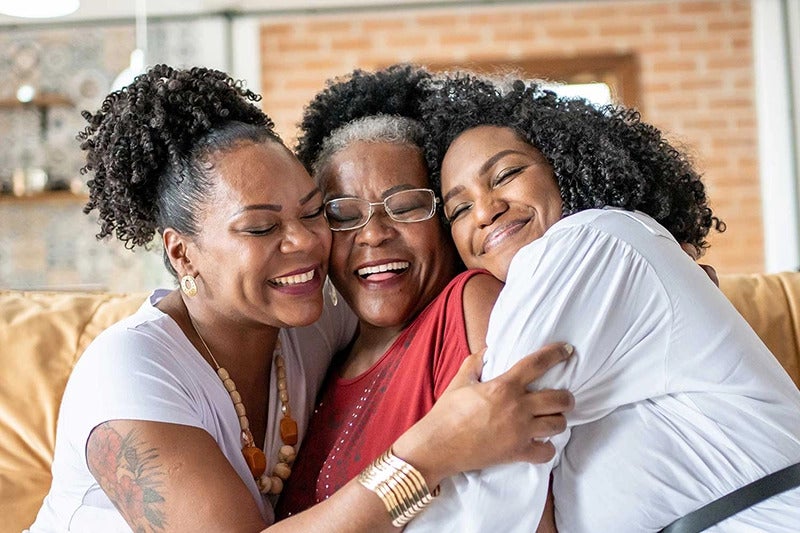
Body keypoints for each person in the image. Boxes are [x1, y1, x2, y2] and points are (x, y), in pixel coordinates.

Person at [27, 64, 575, 533]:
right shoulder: (130, 370)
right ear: (183, 254)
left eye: (314, 212)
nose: (307, 243)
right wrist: (432, 451)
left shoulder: (315, 320)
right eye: (262, 228)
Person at [404, 71, 800, 532]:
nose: (486, 210)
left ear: (563, 162)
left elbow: (492, 486)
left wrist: (384, 495)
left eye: (507, 175)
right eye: (458, 209)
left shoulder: (588, 242)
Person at [275, 65, 575, 521]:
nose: (373, 234)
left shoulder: (471, 304)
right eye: (343, 213)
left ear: (444, 218)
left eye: (407, 206)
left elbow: (533, 515)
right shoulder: (323, 358)